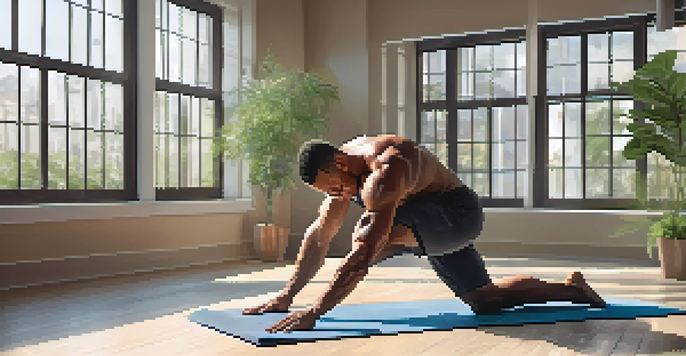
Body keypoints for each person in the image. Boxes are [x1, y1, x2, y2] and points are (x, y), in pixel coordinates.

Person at [243, 134, 607, 333]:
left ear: (340, 163)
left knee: (366, 238)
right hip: (424, 224)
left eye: (331, 187)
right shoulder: (347, 172)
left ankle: (372, 259)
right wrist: (287, 295)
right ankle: (572, 288)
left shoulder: (384, 172)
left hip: (457, 216)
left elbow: (364, 252)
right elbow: (320, 235)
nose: (334, 194)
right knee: (486, 302)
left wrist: (316, 312)